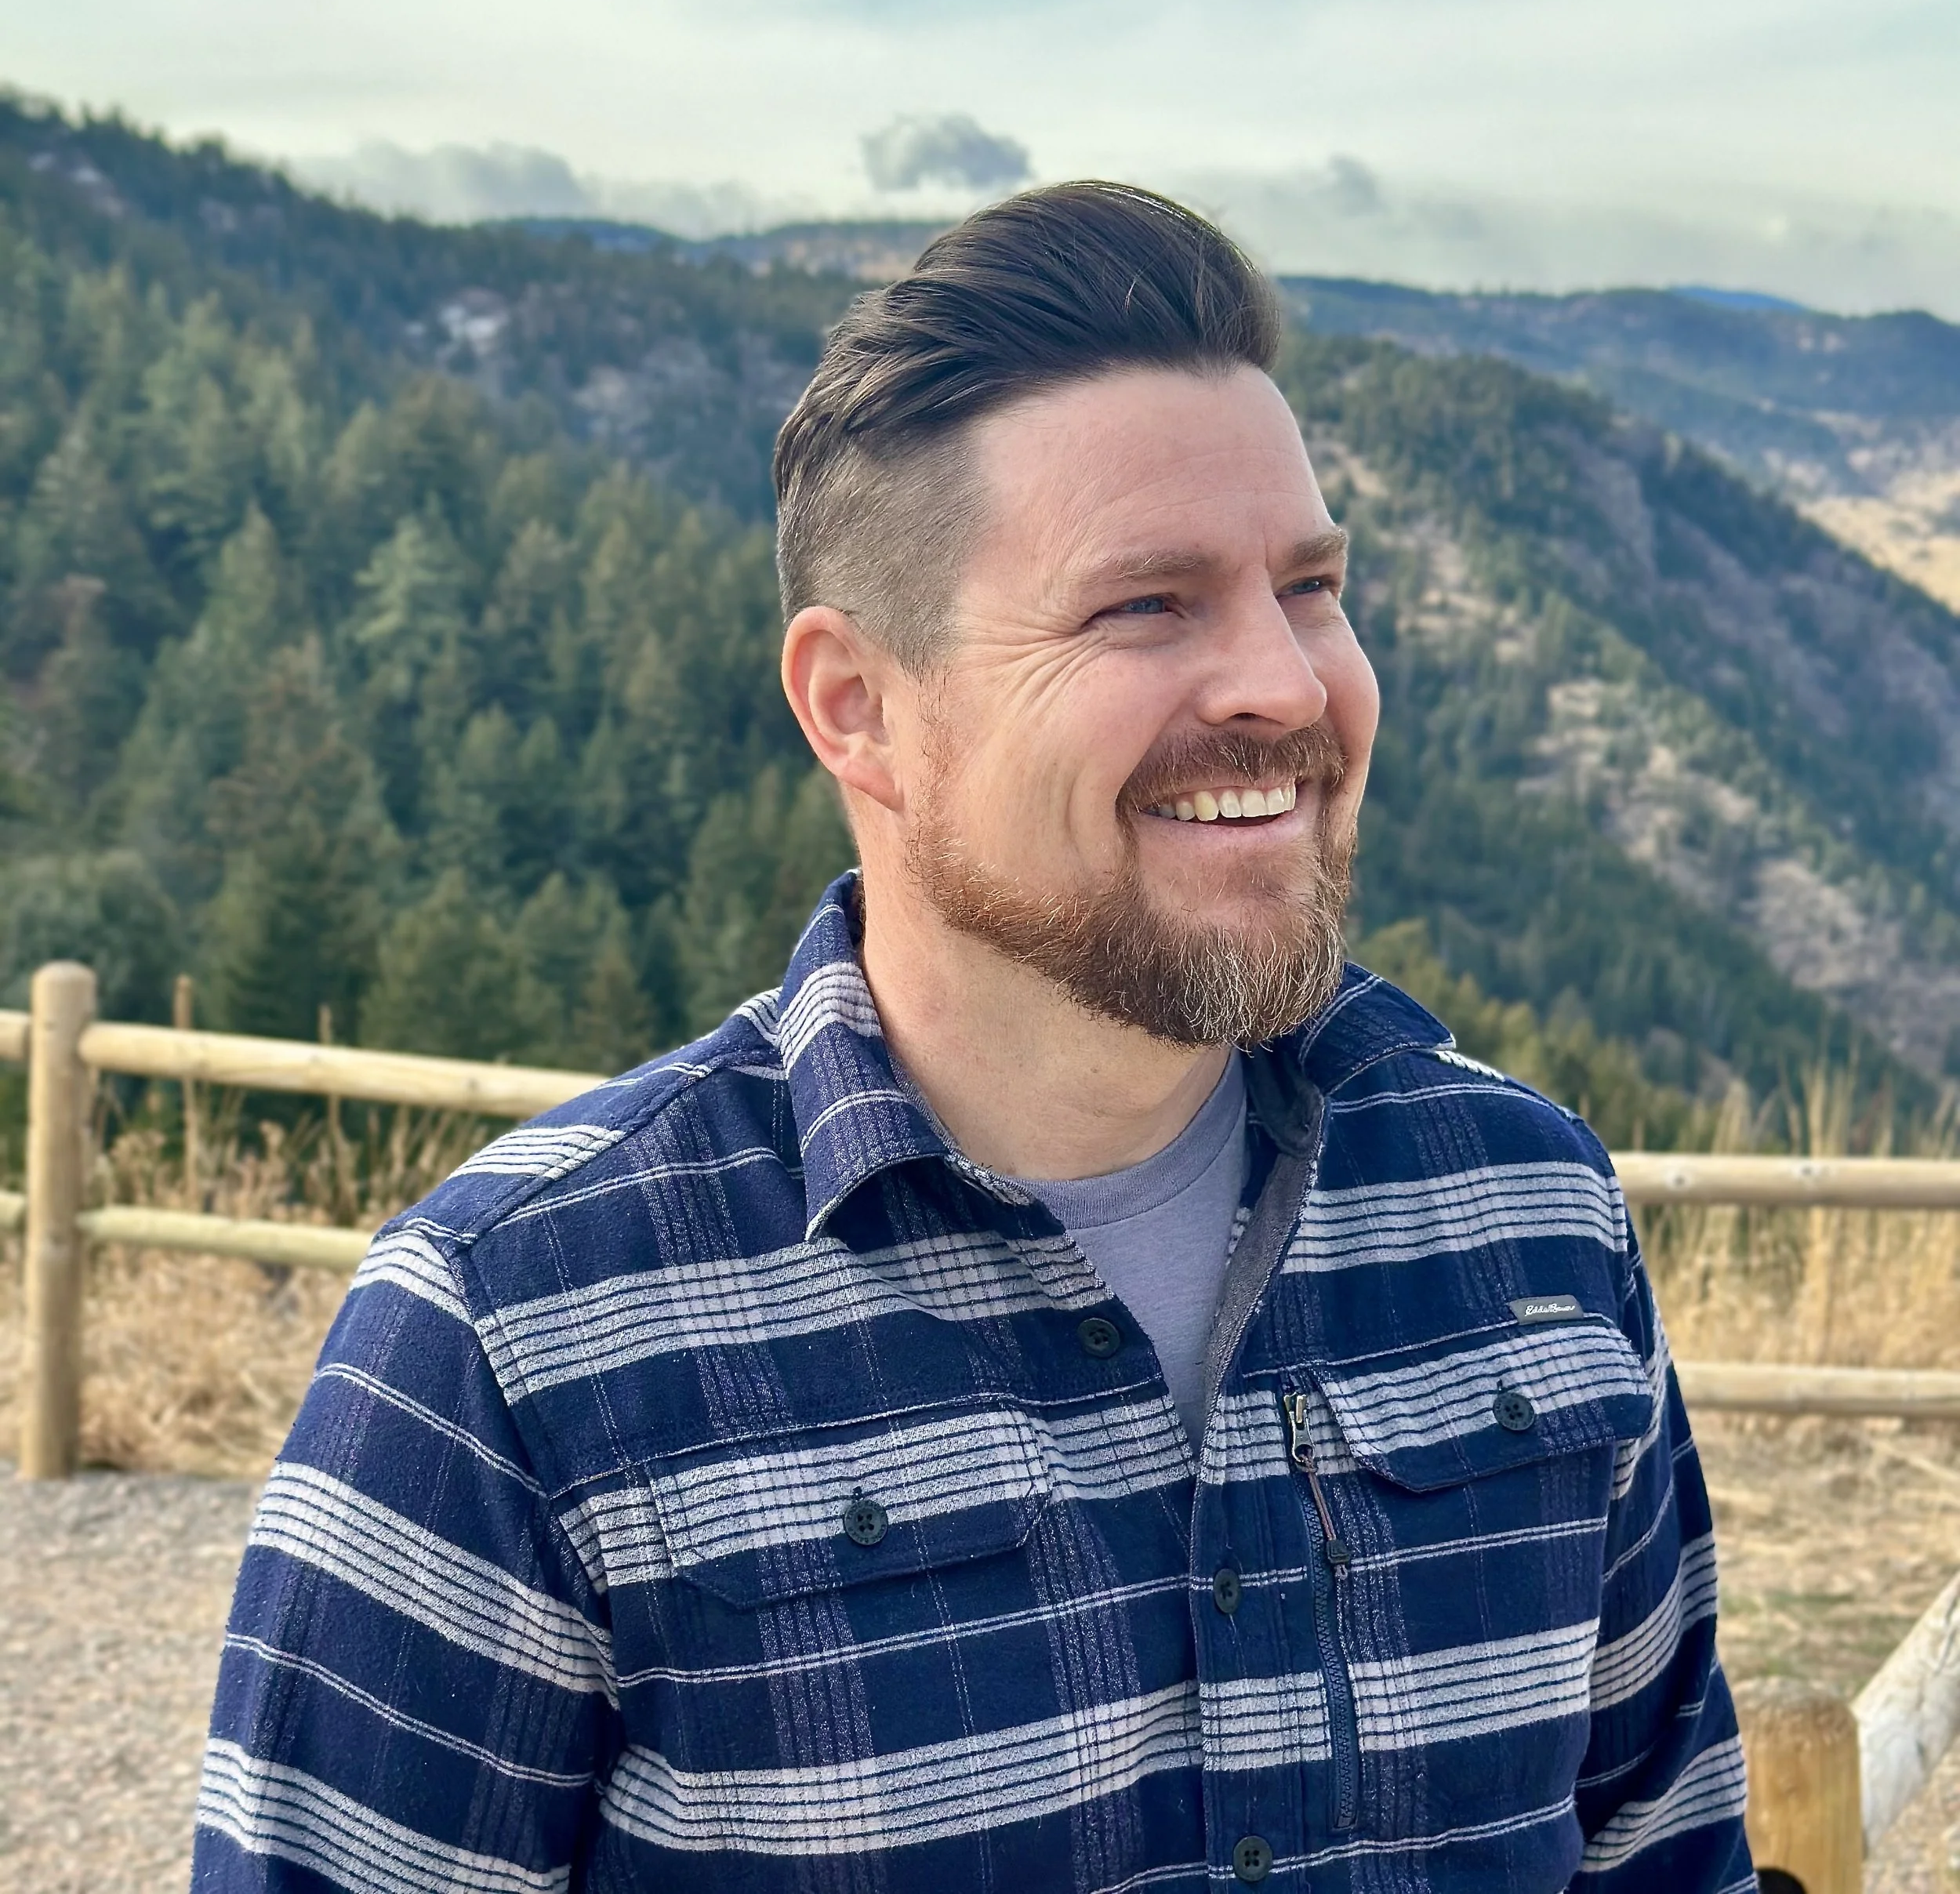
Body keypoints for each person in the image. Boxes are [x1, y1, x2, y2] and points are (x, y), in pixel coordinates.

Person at [193, 183, 1751, 1893]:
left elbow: (1663, 1853)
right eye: (1141, 606)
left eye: (1308, 587)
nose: (1289, 688)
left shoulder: (1528, 1212)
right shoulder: (510, 1344)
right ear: (857, 707)